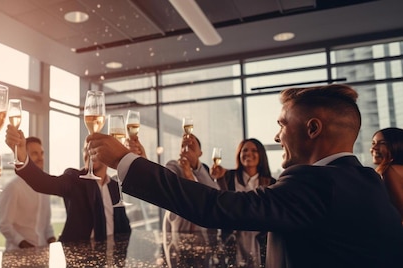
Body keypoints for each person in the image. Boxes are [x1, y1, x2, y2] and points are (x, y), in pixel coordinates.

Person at [87, 84, 403, 267]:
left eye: (282, 124)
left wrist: (124, 160)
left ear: (312, 129)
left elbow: (214, 206)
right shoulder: (367, 181)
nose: (277, 137)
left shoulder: (317, 182)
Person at [4, 125, 132, 242]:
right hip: (80, 256)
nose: (89, 152)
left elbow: (124, 227)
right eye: (86, 149)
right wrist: (21, 158)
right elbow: (43, 183)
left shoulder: (114, 187)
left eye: (94, 149)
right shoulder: (74, 179)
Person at [210, 138, 276, 268]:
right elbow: (220, 203)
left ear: (261, 155)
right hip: (232, 242)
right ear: (239, 154)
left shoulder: (271, 183)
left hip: (259, 244)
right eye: (244, 150)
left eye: (254, 150)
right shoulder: (228, 176)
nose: (248, 153)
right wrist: (219, 179)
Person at [164, 135, 220, 268]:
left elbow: (215, 195)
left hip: (203, 239)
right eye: (184, 146)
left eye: (192, 146)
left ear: (200, 153)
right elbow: (171, 189)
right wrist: (186, 173)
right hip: (176, 234)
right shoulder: (173, 166)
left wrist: (192, 171)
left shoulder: (204, 171)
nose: (186, 149)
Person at [0, 136, 56, 250]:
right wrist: (24, 245)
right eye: (35, 154)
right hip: (17, 256)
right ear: (23, 155)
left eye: (41, 153)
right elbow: (5, 225)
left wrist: (52, 240)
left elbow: (46, 225)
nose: (40, 158)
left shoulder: (45, 186)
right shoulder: (13, 187)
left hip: (43, 255)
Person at [371, 127, 403, 222]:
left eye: (382, 143)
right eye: (373, 143)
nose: (374, 148)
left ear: (397, 145)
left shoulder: (390, 171)